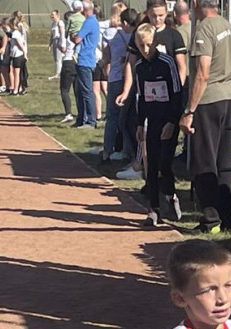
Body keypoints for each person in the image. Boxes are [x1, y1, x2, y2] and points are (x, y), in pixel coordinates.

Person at [179, 0, 231, 233]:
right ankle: (227, 215)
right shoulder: (227, 25)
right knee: (224, 160)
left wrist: (189, 111)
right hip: (229, 96)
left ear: (195, 3)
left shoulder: (204, 28)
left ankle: (211, 218)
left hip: (209, 98)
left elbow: (202, 72)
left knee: (204, 159)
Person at [133, 23, 182, 227]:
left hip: (168, 120)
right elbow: (140, 98)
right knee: (151, 166)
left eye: (149, 45)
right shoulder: (139, 68)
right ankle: (154, 210)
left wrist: (172, 121)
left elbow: (177, 93)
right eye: (141, 46)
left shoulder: (166, 63)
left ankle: (171, 196)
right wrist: (138, 125)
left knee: (164, 164)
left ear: (156, 44)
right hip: (151, 122)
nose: (145, 50)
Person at [102, 6, 136, 162]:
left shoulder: (111, 35)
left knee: (112, 116)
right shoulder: (137, 36)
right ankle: (127, 150)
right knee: (128, 117)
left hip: (116, 77)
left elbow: (106, 57)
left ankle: (107, 150)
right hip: (131, 79)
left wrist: (105, 66)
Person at [72, 0, 100, 128]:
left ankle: (90, 120)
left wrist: (73, 36)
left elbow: (78, 39)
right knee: (81, 90)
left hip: (85, 59)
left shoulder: (89, 22)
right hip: (87, 59)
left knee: (86, 91)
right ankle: (82, 119)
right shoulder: (93, 21)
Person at [57, 1, 82, 122]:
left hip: (68, 61)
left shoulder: (66, 34)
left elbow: (62, 47)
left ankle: (68, 113)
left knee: (64, 89)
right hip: (77, 62)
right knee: (77, 90)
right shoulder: (80, 32)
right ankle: (81, 112)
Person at [49, 10, 64, 79]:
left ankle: (59, 74)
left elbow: (62, 33)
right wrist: (50, 44)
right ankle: (58, 73)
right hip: (55, 41)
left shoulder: (60, 23)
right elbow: (52, 35)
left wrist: (61, 43)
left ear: (57, 15)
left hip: (59, 40)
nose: (51, 16)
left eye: (53, 14)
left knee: (59, 58)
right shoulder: (53, 24)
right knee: (56, 58)